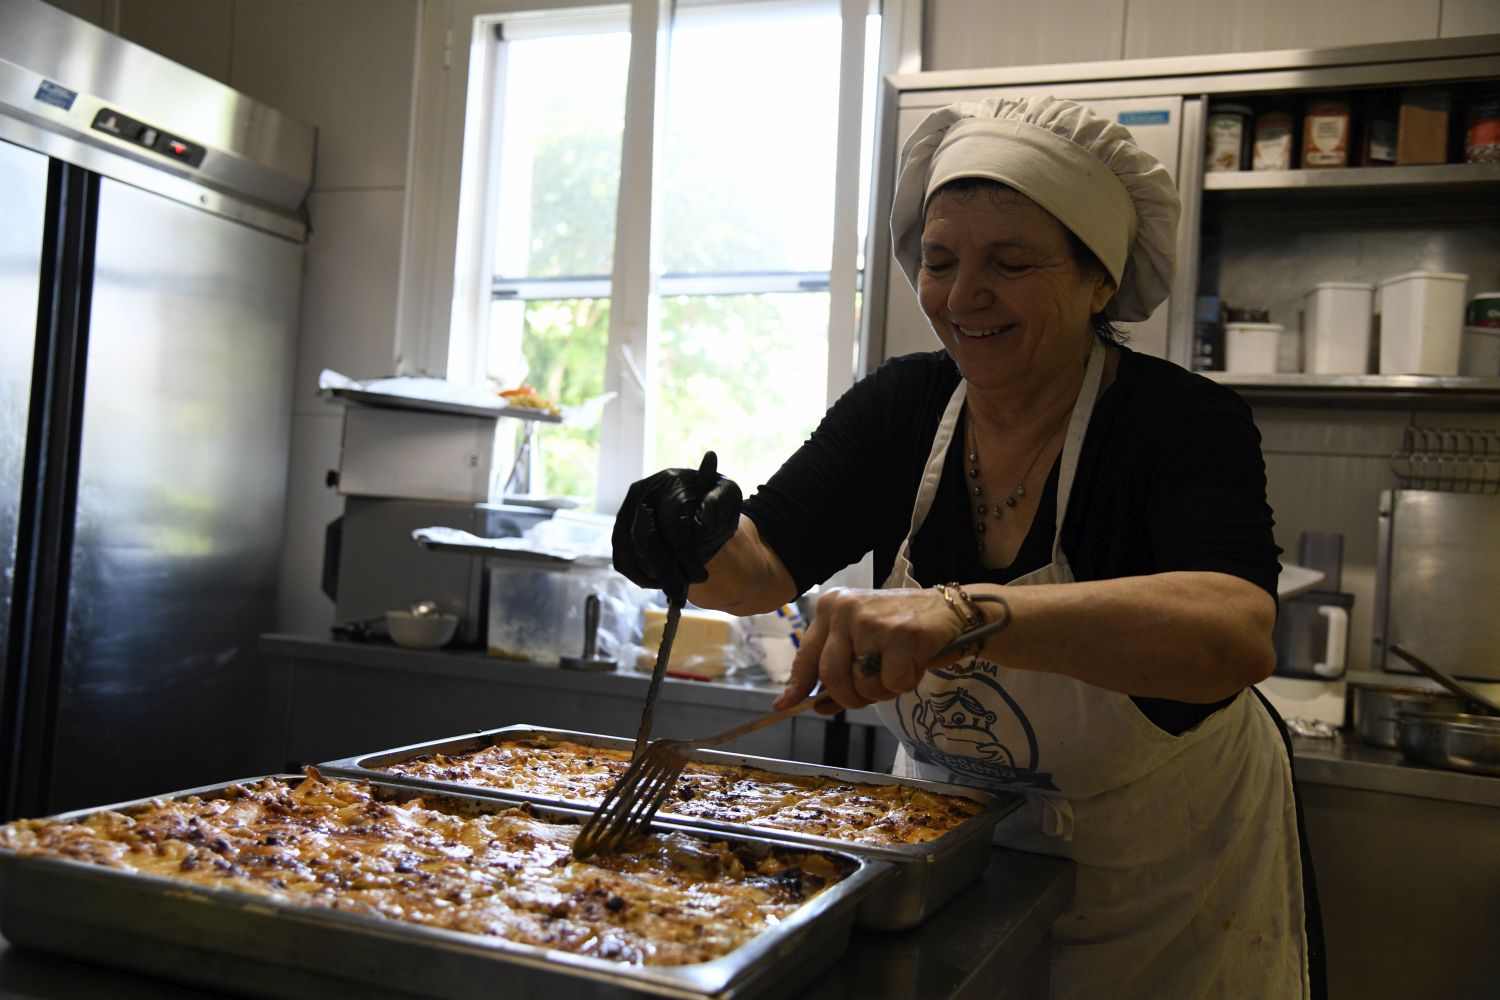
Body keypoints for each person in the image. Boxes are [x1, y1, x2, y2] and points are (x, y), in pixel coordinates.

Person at [612, 96, 1321, 999]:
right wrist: (690, 537)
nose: (960, 297)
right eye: (939, 262)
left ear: (1099, 281)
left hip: (1169, 879)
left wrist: (962, 613)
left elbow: (1233, 635)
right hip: (951, 859)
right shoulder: (901, 408)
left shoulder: (1177, 424)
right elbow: (760, 568)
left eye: (1010, 263)